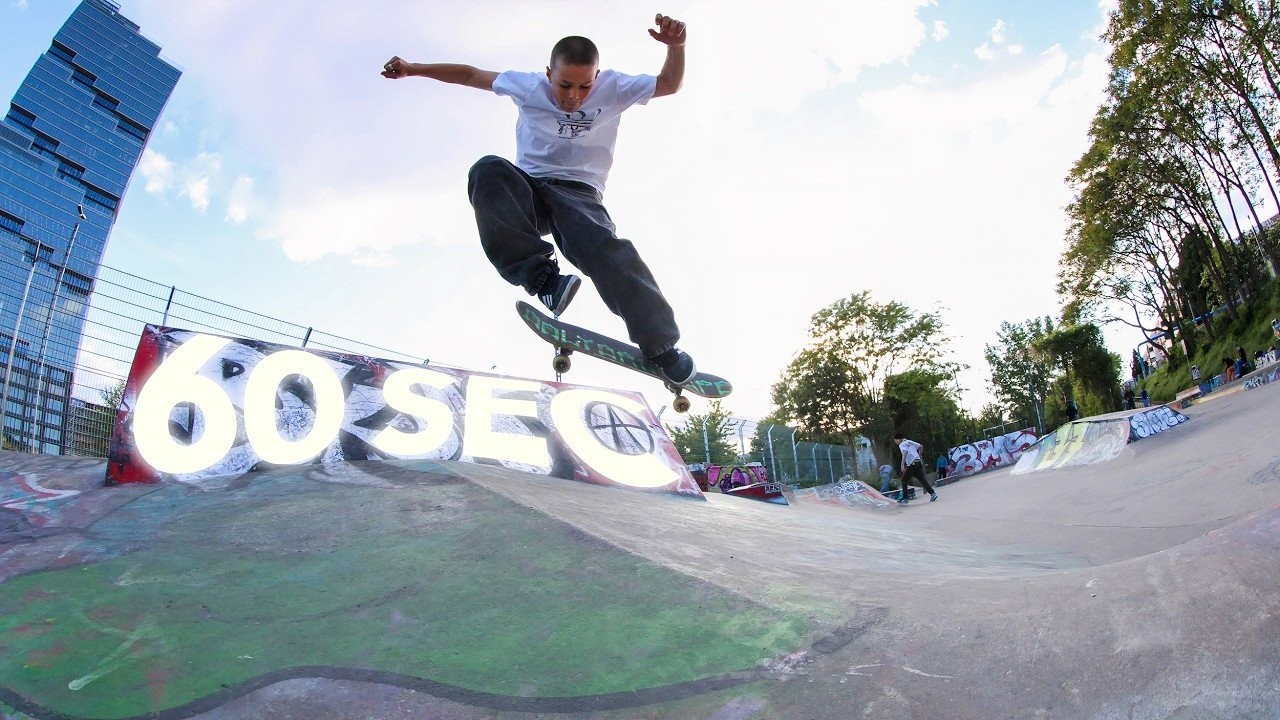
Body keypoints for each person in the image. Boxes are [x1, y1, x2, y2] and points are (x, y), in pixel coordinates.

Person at [381, 15, 698, 385]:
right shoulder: (528, 86)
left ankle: (661, 346)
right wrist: (414, 69)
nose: (574, 96)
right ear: (549, 74)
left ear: (597, 77)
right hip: (529, 189)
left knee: (606, 250)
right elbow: (470, 74)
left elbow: (668, 84)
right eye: (564, 85)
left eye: (585, 86)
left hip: (579, 194)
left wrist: (677, 47)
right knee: (487, 170)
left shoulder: (615, 87)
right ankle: (545, 281)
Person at [893, 433, 937, 504]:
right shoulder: (909, 442)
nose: (895, 442)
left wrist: (902, 465)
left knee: (904, 480)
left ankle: (905, 498)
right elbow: (921, 446)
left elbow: (905, 453)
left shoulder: (902, 444)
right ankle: (933, 493)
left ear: (899, 439)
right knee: (922, 479)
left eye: (895, 440)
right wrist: (919, 456)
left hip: (912, 464)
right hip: (918, 462)